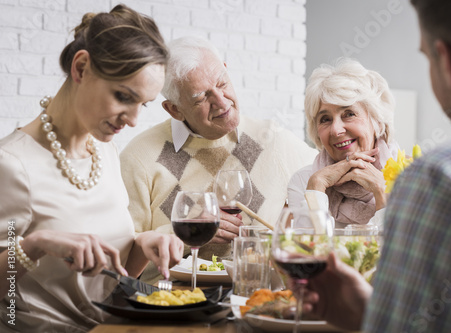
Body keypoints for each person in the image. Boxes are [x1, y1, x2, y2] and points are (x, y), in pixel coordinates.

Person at [303, 0, 451, 331]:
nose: (337, 128)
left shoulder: (438, 178)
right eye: (326, 118)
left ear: (447, 60)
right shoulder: (308, 176)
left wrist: (368, 318)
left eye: (425, 57)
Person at [0, 5, 184, 333]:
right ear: (82, 67)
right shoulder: (12, 166)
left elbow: (110, 281)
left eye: (142, 104)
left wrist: (143, 245)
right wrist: (34, 244)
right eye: (123, 96)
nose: (133, 120)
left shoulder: (105, 152)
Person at [119, 36, 318, 284]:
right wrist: (183, 232)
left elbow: (327, 176)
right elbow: (121, 265)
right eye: (201, 97)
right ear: (175, 109)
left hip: (258, 302)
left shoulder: (273, 140)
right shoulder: (139, 157)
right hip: (170, 309)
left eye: (222, 83)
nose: (222, 102)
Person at [288, 58, 399, 228]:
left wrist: (381, 190)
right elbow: (308, 251)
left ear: (377, 121)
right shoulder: (305, 181)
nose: (336, 130)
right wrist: (317, 186)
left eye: (349, 114)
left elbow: (398, 251)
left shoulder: (408, 178)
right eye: (325, 119)